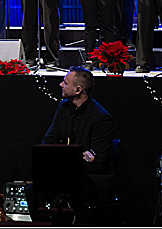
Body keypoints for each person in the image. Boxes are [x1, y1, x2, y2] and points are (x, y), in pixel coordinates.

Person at [41, 67, 116, 206]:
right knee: (33, 191)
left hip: (91, 179)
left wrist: (62, 159)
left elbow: (97, 163)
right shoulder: (63, 108)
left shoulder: (101, 118)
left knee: (73, 190)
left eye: (65, 83)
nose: (61, 85)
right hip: (67, 174)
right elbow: (48, 142)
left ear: (78, 90)